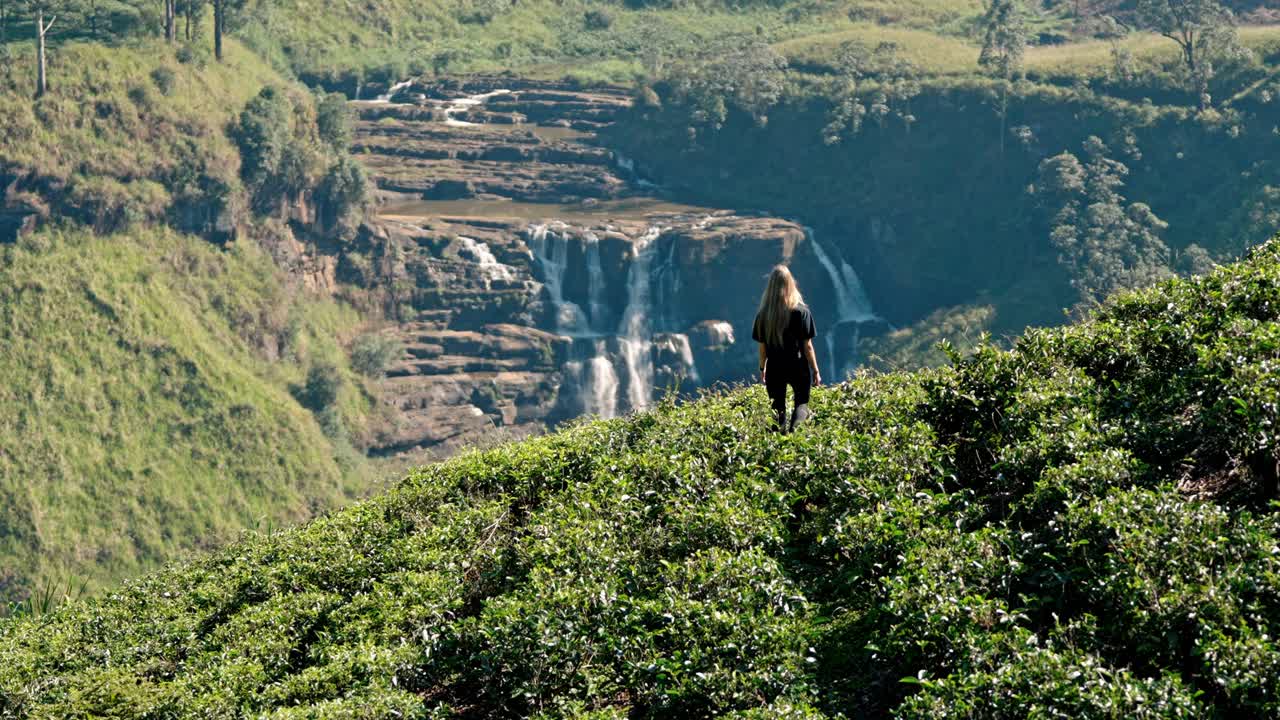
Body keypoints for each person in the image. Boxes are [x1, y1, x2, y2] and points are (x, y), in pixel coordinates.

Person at [752, 265, 822, 433]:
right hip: (797, 365)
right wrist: (816, 371)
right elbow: (808, 346)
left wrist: (763, 368)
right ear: (791, 284)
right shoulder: (801, 312)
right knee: (802, 403)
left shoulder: (763, 315)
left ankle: (778, 450)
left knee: (777, 411)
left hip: (775, 367)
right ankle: (795, 438)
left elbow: (762, 347)